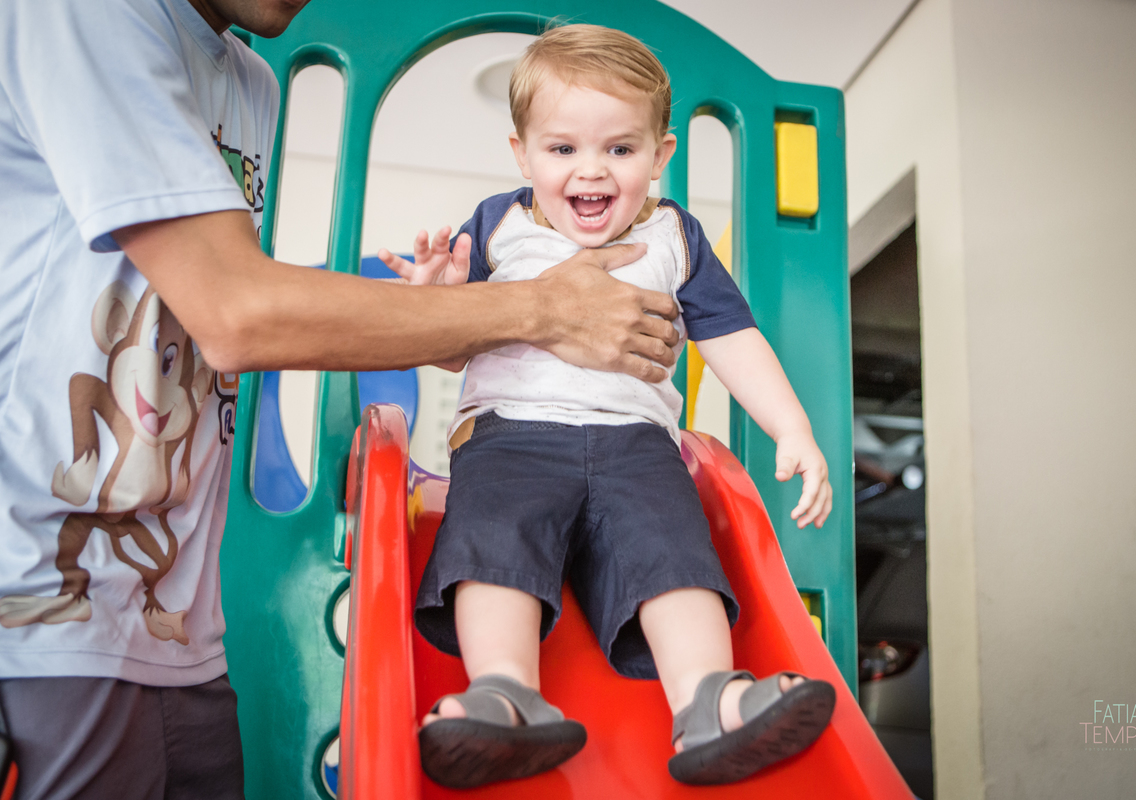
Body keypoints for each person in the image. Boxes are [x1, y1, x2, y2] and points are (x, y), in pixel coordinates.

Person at [0, 1, 681, 797]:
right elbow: (235, 313)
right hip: (36, 602)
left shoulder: (250, 81)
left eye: (619, 148)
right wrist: (540, 309)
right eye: (562, 147)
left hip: (174, 623)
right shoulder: (78, 12)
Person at [383, 24, 836, 789]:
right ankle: (505, 692)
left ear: (660, 156)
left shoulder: (675, 236)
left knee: (673, 552)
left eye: (620, 149)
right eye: (562, 148)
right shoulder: (497, 226)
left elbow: (730, 335)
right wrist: (435, 300)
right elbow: (453, 348)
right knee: (494, 534)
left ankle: (708, 700)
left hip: (638, 446)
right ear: (522, 154)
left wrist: (792, 427)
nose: (591, 170)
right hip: (511, 438)